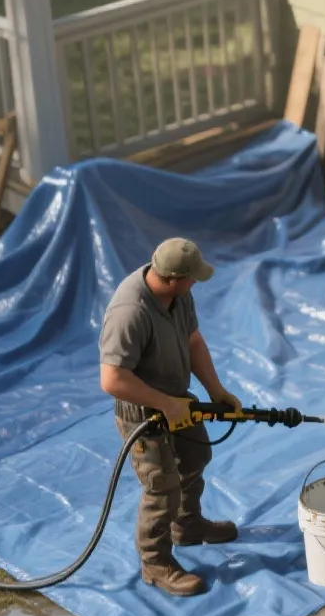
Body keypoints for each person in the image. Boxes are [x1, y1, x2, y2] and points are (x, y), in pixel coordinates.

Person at [98, 237, 242, 597]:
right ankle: (155, 563)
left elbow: (192, 341)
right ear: (173, 277)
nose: (197, 283)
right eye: (192, 278)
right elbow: (112, 379)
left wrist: (216, 391)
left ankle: (188, 524)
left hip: (174, 398)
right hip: (142, 411)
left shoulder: (178, 296)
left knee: (196, 455)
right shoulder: (130, 311)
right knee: (161, 486)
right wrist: (164, 403)